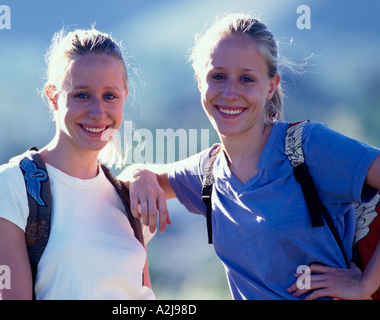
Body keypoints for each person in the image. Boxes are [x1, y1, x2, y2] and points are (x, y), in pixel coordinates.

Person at [119, 13, 380, 300]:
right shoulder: (208, 173)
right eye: (218, 76)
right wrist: (138, 174)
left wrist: (365, 284)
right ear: (199, 82)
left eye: (246, 79)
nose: (230, 92)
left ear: (270, 86)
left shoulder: (309, 146)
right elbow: (141, 178)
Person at [0, 28, 155, 299]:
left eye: (110, 96)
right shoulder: (9, 187)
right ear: (53, 96)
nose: (98, 111)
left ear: (124, 96)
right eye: (82, 95)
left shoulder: (127, 198)